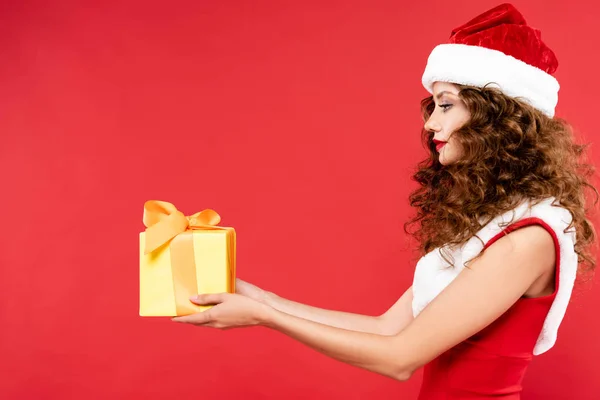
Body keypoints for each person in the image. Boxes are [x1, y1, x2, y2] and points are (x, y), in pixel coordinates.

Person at [173, 3, 597, 398]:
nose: (431, 123)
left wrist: (266, 318)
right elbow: (388, 328)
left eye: (446, 105)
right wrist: (263, 299)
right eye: (433, 105)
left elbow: (400, 357)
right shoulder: (496, 225)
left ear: (498, 119)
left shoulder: (528, 238)